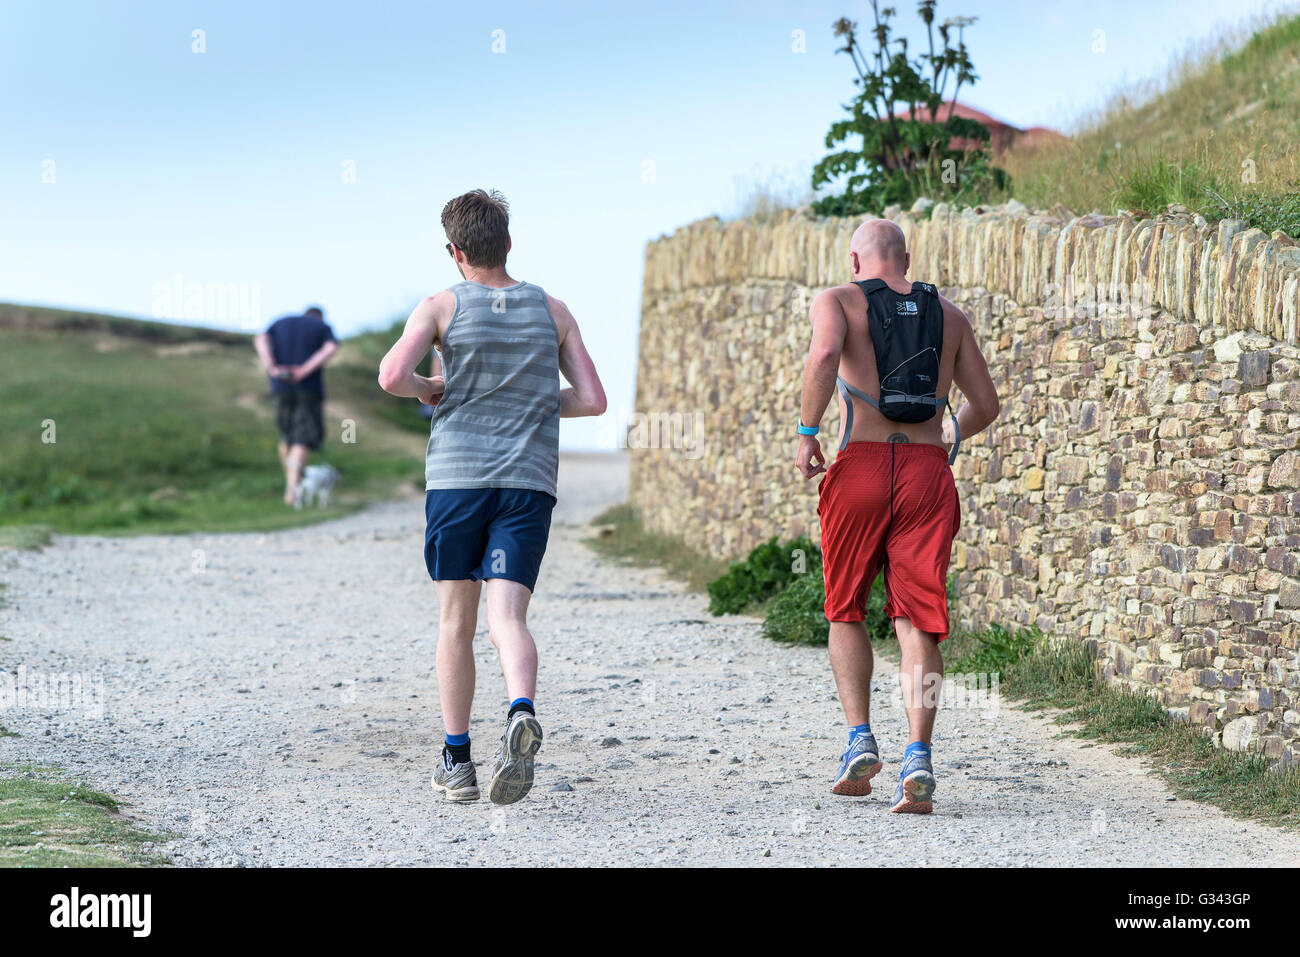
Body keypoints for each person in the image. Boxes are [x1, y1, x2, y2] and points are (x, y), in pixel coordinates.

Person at [378, 189, 606, 805]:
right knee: (509, 617)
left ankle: (457, 763)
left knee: (456, 621)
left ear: (455, 251)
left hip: (456, 481)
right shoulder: (553, 309)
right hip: (527, 482)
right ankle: (519, 710)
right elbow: (592, 400)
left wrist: (433, 387)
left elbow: (392, 377)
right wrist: (531, 399)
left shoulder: (439, 306)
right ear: (508, 243)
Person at [795, 219, 1000, 814]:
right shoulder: (951, 316)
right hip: (926, 474)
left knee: (845, 607)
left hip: (858, 465)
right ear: (905, 260)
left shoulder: (837, 300)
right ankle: (918, 755)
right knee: (918, 619)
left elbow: (825, 352)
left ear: (855, 262)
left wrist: (808, 433)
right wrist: (948, 435)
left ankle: (860, 739)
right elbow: (985, 404)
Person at [254, 306, 338, 505]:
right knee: (303, 438)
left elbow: (260, 339)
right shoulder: (322, 326)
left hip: (279, 387)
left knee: (286, 437)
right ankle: (293, 491)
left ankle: (292, 485)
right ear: (319, 316)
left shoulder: (281, 321)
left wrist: (272, 366)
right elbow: (330, 349)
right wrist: (304, 370)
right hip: (308, 388)